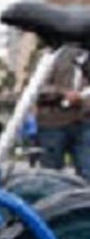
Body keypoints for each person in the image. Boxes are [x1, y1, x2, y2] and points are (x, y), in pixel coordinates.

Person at [35, 46, 90, 180]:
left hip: (84, 122)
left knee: (87, 171)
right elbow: (37, 87)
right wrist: (63, 94)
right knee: (51, 175)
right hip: (53, 123)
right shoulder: (51, 55)